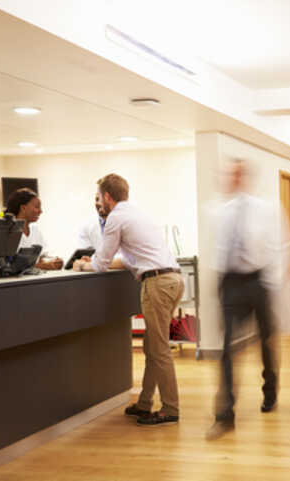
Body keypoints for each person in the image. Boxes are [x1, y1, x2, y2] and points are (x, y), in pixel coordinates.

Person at [72, 173, 184, 427]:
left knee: (159, 350)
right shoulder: (135, 214)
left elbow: (100, 265)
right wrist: (98, 261)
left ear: (108, 197)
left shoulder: (115, 219)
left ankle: (170, 408)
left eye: (99, 198)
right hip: (172, 280)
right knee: (153, 347)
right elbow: (128, 259)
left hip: (157, 283)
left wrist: (81, 266)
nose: (98, 203)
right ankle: (145, 403)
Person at [205, 158, 289, 441]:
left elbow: (282, 245)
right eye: (227, 174)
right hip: (230, 283)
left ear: (245, 178)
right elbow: (217, 248)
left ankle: (270, 389)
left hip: (258, 280)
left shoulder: (266, 209)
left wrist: (271, 282)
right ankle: (225, 415)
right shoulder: (218, 211)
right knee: (227, 348)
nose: (230, 178)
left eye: (236, 174)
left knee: (266, 339)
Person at [4, 188, 63, 270]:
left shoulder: (35, 230)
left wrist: (52, 262)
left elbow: (42, 257)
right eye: (37, 207)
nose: (41, 211)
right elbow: (10, 266)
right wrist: (42, 266)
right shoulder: (7, 231)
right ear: (23, 208)